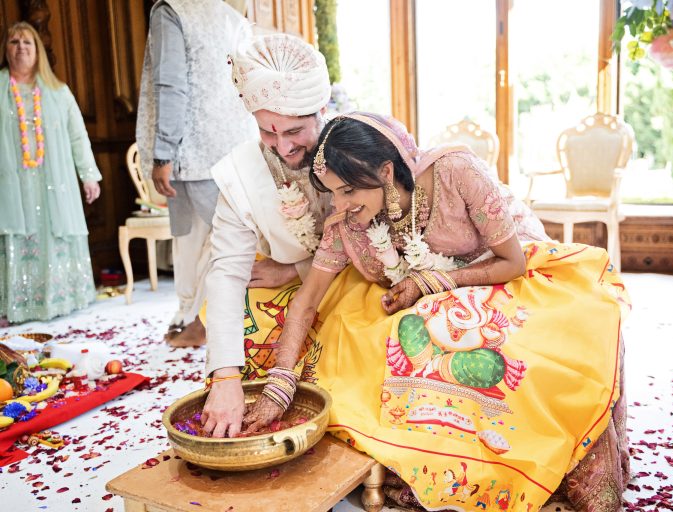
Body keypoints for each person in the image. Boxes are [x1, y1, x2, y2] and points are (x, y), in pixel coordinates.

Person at [238, 113, 630, 511]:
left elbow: (513, 263)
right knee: (393, 346)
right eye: (332, 193)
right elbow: (306, 301)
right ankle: (435, 463)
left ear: (385, 172)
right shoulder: (347, 223)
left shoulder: (456, 172)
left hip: (504, 274)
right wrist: (280, 385)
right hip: (427, 301)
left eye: (348, 190)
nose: (338, 206)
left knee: (509, 351)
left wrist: (431, 282)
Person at [198, 33, 334, 438]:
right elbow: (227, 271)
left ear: (322, 110)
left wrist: (293, 269)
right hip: (292, 289)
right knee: (244, 323)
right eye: (268, 132)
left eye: (295, 131)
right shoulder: (240, 173)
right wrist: (225, 377)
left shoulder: (353, 146)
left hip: (358, 277)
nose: (283, 147)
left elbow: (382, 239)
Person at [135, 0, 256, 347]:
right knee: (224, 241)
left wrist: (163, 153)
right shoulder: (232, 17)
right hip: (237, 145)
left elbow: (170, 84)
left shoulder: (172, 10)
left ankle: (196, 322)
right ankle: (199, 319)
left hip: (193, 149)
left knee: (193, 244)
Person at [0, 22, 101, 324]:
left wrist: (89, 175)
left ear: (38, 51)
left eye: (27, 42)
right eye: (14, 42)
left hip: (53, 183)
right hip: (11, 182)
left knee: (54, 231)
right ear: (5, 49)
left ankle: (60, 298)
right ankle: (14, 304)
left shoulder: (58, 91)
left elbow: (78, 136)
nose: (20, 47)